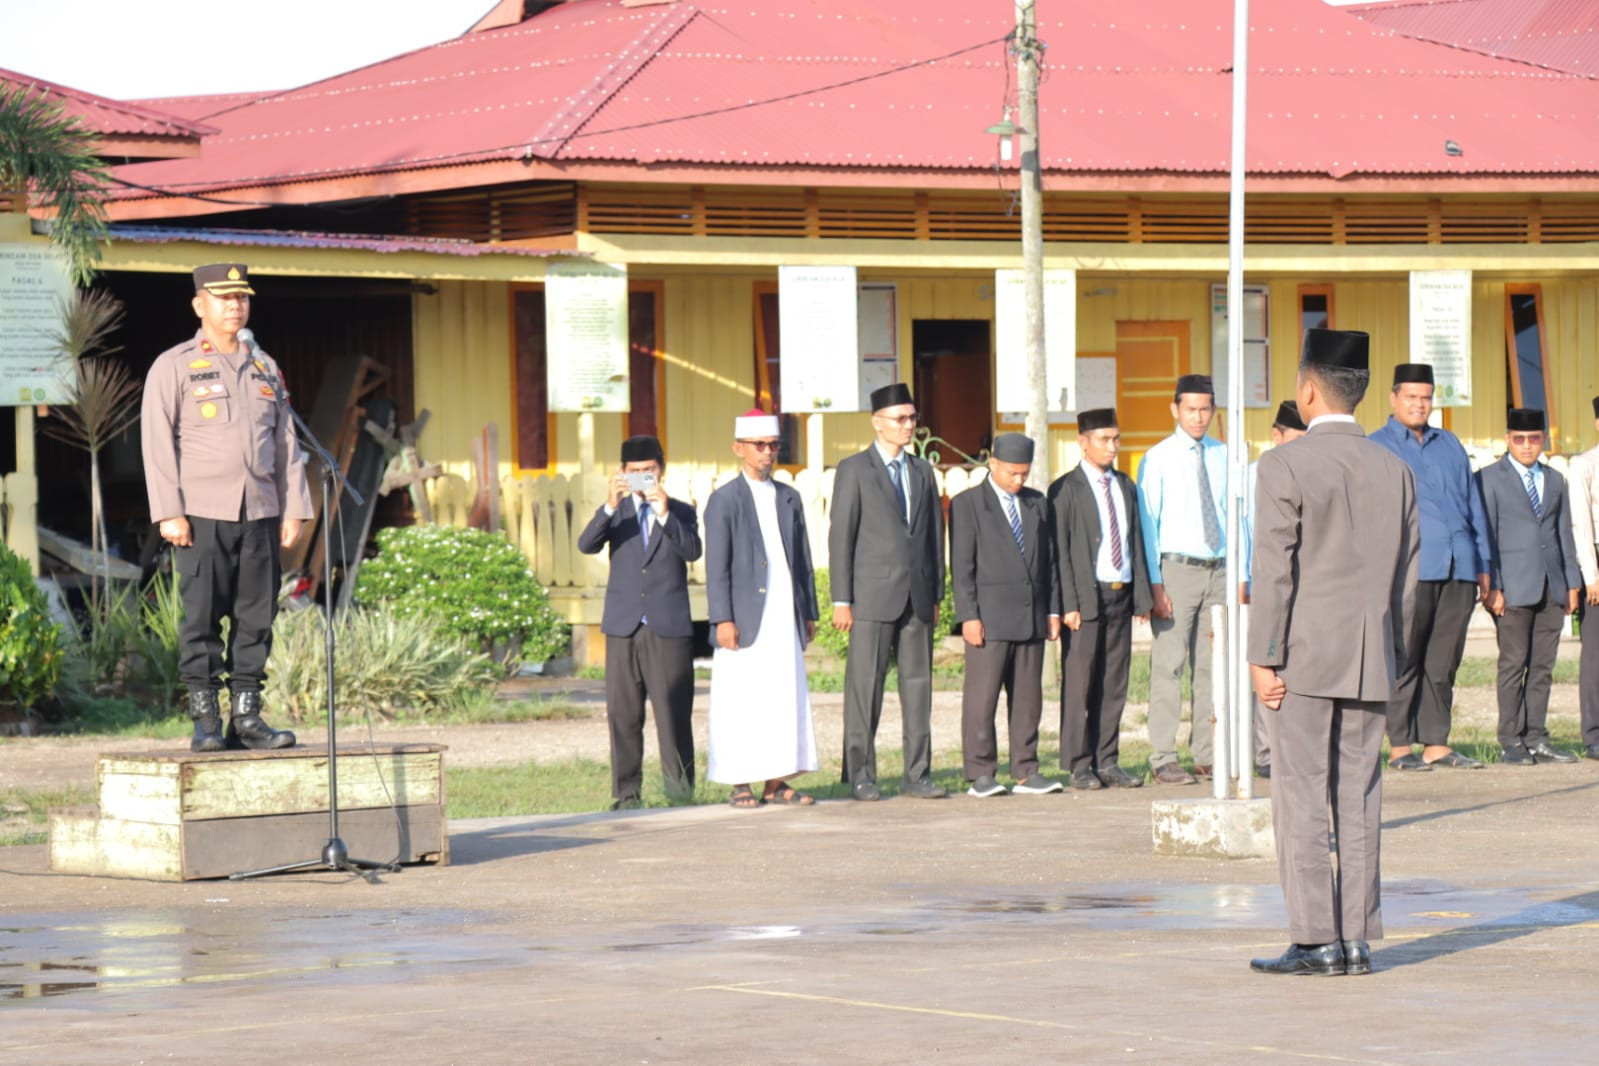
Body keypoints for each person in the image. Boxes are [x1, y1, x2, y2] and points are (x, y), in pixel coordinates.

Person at [1248, 327, 1419, 977]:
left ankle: (1316, 937)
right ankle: (1355, 938)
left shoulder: (1284, 464)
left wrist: (1263, 654)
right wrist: (1392, 654)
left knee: (1299, 795)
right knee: (1359, 798)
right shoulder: (1394, 468)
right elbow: (1408, 578)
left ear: (1307, 389)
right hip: (1370, 655)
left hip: (1301, 659)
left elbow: (1275, 572)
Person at [141, 263, 311, 753]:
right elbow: (157, 445)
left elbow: (285, 443)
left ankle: (248, 717)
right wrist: (168, 511)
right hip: (200, 515)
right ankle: (205, 720)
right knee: (200, 619)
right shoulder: (174, 365)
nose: (236, 305)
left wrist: (293, 507)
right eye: (224, 298)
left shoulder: (265, 367)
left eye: (242, 298)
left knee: (256, 618)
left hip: (259, 511)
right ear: (200, 305)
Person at [1369, 363, 1493, 771]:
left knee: (1444, 660)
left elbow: (1473, 504)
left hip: (1459, 566)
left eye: (1426, 398)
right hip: (1409, 569)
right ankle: (1401, 746)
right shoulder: (1377, 446)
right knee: (1406, 658)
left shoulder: (1450, 444)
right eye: (1411, 397)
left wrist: (1483, 563)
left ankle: (1436, 743)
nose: (1419, 405)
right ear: (1393, 398)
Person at [830, 382, 947, 801]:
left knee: (919, 687)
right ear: (877, 422)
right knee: (865, 686)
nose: (909, 425)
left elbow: (935, 535)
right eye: (901, 418)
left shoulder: (921, 471)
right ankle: (861, 773)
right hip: (872, 596)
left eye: (913, 417)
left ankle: (917, 773)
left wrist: (936, 591)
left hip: (917, 596)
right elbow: (841, 537)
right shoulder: (855, 470)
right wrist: (841, 599)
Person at [577, 434, 703, 808]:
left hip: (668, 626)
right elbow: (586, 545)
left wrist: (664, 513)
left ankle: (679, 792)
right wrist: (609, 505)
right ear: (622, 473)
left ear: (661, 470)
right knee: (623, 716)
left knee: (673, 716)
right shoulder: (618, 513)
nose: (643, 478)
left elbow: (692, 550)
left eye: (649, 471)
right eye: (635, 472)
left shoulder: (681, 510)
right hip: (623, 625)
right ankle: (626, 794)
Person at [704, 410, 820, 808]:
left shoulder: (789, 497)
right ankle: (740, 783)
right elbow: (716, 566)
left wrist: (809, 611)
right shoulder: (724, 500)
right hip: (744, 617)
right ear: (739, 448)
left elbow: (801, 560)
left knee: (782, 696)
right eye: (759, 445)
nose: (767, 452)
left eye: (773, 445)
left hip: (784, 613)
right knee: (741, 699)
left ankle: (777, 781)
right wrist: (722, 618)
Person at [949, 433, 1061, 797]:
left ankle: (1026, 769)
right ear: (992, 464)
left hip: (1031, 615)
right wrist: (968, 615)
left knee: (1028, 698)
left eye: (1024, 474)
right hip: (989, 618)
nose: (1018, 480)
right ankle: (981, 772)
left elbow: (1050, 562)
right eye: (1012, 473)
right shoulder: (968, 504)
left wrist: (1053, 609)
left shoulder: (1036, 504)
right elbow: (962, 566)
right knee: (982, 698)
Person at [1049, 408, 1151, 790]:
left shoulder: (1125, 486)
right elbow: (1059, 551)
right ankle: (1079, 763)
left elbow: (1135, 543)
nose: (1113, 447)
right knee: (1080, 683)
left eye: (1116, 439)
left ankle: (1107, 760)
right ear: (1083, 442)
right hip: (1085, 600)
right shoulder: (1065, 490)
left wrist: (1141, 598)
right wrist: (1067, 604)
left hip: (1119, 597)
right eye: (1104, 440)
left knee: (1113, 682)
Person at [1476, 408, 1582, 766]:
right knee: (1513, 664)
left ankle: (1536, 736)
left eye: (1533, 439)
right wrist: (1494, 586)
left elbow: (1563, 533)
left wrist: (1571, 582)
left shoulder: (1555, 480)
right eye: (1519, 439)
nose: (1526, 446)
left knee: (1542, 667)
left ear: (1542, 440)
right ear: (1508, 439)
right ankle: (1510, 740)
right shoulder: (1488, 479)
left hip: (1551, 587)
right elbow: (1486, 535)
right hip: (1513, 588)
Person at [1137, 374, 1226, 784]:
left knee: (1213, 667)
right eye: (1190, 409)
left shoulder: (1223, 455)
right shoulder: (1158, 458)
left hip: (1219, 570)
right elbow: (1148, 525)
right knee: (1169, 665)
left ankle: (1207, 754)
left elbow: (1234, 519)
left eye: (1205, 408)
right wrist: (1156, 584)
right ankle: (1163, 756)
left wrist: (1239, 575)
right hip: (1176, 571)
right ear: (1175, 409)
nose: (1198, 416)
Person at [1239, 400, 1307, 779]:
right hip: (1260, 587)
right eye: (1294, 440)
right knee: (1262, 665)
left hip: (1301, 589)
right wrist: (1245, 585)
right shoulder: (1254, 476)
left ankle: (1285, 751)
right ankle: (1264, 754)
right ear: (1275, 436)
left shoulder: (1310, 473)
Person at [1565, 396, 1599, 761]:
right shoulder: (1585, 464)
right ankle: (1593, 732)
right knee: (1596, 655)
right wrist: (1591, 575)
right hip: (1597, 563)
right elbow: (1581, 524)